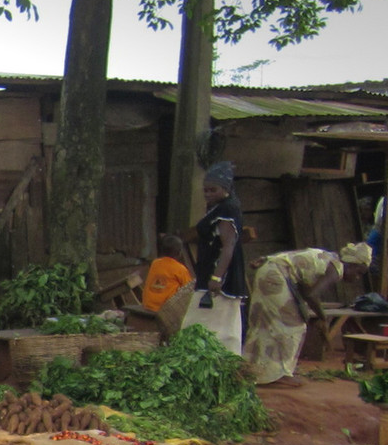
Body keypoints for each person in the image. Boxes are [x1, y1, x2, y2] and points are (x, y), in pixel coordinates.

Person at [244, 242, 374, 386]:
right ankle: (279, 373)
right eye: (358, 273)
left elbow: (304, 287)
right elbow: (312, 295)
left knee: (264, 323)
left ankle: (252, 370)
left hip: (269, 271)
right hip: (275, 276)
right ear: (351, 264)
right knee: (293, 325)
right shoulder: (336, 269)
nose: (357, 278)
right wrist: (322, 317)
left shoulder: (329, 258)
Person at [188, 161, 247, 304]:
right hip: (207, 272)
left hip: (220, 279)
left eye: (213, 190)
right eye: (205, 190)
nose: (208, 194)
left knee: (212, 321)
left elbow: (228, 246)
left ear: (225, 188)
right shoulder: (215, 206)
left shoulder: (228, 209)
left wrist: (216, 278)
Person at [140, 233, 194, 313]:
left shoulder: (155, 263)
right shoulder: (180, 269)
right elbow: (189, 289)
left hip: (147, 305)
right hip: (164, 310)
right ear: (179, 253)